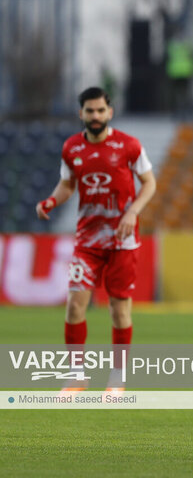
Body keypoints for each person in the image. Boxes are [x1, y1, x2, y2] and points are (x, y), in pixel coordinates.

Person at [36, 86, 156, 393]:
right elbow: (67, 185)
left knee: (119, 310)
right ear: (81, 114)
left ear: (109, 112)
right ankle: (77, 376)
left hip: (122, 241)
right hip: (87, 241)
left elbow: (149, 183)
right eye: (90, 111)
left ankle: (118, 379)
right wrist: (50, 201)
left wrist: (133, 213)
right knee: (75, 305)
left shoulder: (129, 146)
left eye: (100, 110)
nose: (95, 116)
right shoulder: (72, 148)